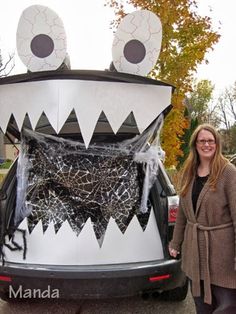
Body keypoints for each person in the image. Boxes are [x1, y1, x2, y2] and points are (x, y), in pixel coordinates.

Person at [169, 124, 236, 314]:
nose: (206, 144)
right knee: (201, 305)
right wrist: (175, 243)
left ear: (217, 143)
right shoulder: (189, 171)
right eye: (202, 141)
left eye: (210, 140)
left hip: (223, 256)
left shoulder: (228, 172)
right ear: (195, 145)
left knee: (227, 307)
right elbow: (183, 213)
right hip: (194, 253)